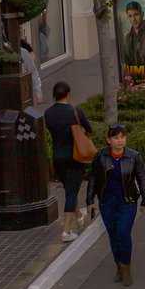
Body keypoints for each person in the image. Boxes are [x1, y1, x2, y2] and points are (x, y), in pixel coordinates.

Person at [89, 125, 145, 286]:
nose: (119, 140)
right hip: (106, 201)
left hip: (127, 201)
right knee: (113, 235)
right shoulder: (100, 155)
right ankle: (118, 265)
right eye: (115, 137)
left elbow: (141, 178)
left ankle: (126, 266)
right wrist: (89, 200)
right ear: (109, 140)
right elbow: (93, 178)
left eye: (122, 137)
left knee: (123, 233)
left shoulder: (134, 156)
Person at [44, 81, 94, 241]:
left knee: (69, 189)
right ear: (68, 94)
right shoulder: (75, 111)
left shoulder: (48, 113)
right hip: (74, 156)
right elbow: (89, 128)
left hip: (57, 157)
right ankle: (66, 231)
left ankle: (79, 216)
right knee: (71, 193)